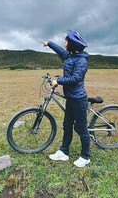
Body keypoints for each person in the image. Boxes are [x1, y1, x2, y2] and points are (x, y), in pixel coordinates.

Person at [41, 30, 90, 168]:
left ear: (73, 45)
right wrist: (49, 44)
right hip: (70, 98)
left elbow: (76, 78)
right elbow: (59, 50)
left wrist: (58, 81)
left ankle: (85, 156)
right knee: (67, 125)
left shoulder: (81, 60)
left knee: (81, 128)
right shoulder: (69, 56)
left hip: (79, 99)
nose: (65, 43)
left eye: (67, 41)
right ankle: (64, 151)